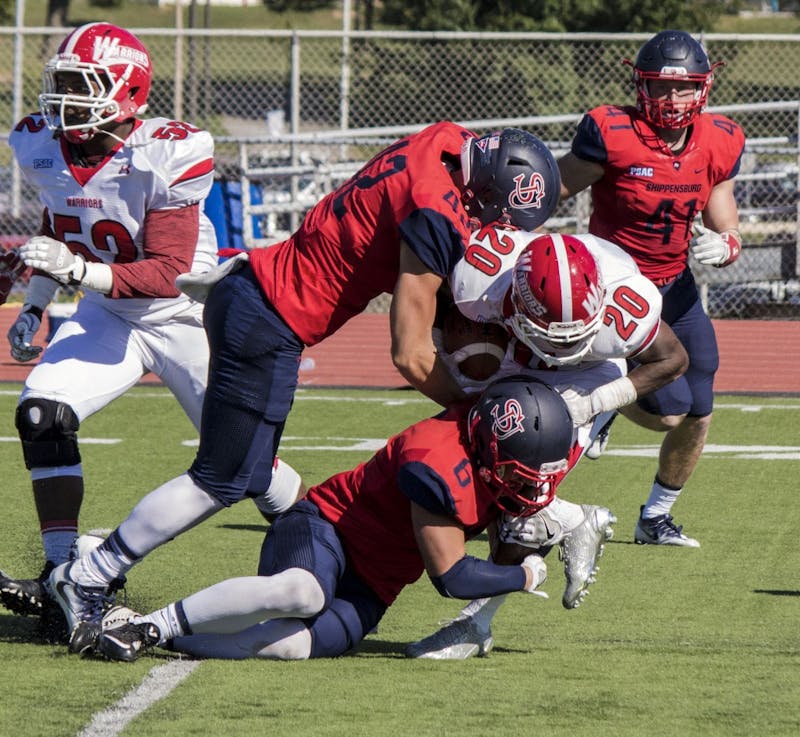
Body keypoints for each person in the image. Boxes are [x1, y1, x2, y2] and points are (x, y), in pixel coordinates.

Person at [46, 124, 562, 643]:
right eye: (496, 216)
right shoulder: (437, 211)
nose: (492, 229)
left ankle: (283, 544)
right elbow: (409, 354)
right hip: (271, 317)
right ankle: (86, 577)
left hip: (258, 293)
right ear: (483, 192)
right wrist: (475, 408)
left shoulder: (445, 141)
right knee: (220, 479)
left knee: (247, 472)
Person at [70, 376, 569, 662]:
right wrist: (525, 573)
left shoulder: (491, 446)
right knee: (302, 593)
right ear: (485, 449)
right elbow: (453, 577)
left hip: (372, 588)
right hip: (326, 530)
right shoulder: (437, 467)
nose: (529, 488)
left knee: (286, 645)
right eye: (518, 475)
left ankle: (145, 630)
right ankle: (148, 627)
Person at [0, 22, 216, 626]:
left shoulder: (165, 150)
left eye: (81, 83)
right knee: (41, 414)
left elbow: (170, 270)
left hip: (184, 316)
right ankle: (60, 569)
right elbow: (63, 226)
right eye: (60, 82)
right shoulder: (43, 143)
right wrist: (36, 302)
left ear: (128, 93)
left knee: (247, 465)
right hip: (107, 312)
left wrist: (74, 270)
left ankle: (313, 548)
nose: (64, 97)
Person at [406, 225, 689, 658]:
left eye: (573, 334)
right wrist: (460, 354)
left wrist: (597, 402)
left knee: (520, 490)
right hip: (511, 353)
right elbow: (439, 305)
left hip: (586, 376)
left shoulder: (625, 301)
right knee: (478, 465)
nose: (564, 345)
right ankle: (574, 520)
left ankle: (475, 624)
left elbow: (673, 358)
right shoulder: (478, 278)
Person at [557, 30, 744, 547]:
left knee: (699, 407)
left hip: (675, 287)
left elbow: (724, 216)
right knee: (668, 411)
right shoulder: (611, 131)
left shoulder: (722, 138)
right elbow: (552, 187)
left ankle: (655, 518)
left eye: (683, 89)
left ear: (704, 89)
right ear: (640, 86)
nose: (671, 100)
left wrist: (728, 244)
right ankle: (605, 396)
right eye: (660, 87)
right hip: (618, 286)